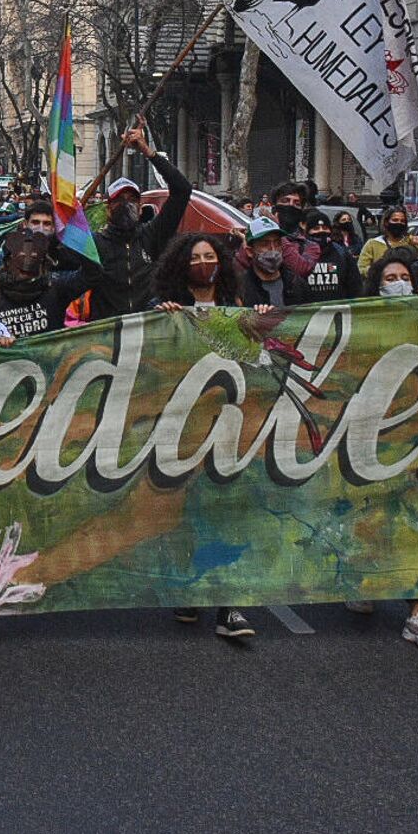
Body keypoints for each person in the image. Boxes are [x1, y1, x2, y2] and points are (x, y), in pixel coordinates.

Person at [151, 232, 263, 639]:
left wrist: (260, 321)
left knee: (229, 511)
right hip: (182, 426)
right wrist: (162, 319)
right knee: (187, 513)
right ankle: (190, 587)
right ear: (182, 266)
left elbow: (259, 358)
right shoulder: (167, 311)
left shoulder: (237, 309)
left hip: (233, 423)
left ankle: (229, 605)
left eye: (209, 256)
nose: (202, 263)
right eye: (195, 257)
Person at [365, 261, 418, 650]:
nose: (399, 285)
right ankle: (363, 577)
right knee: (372, 511)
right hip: (369, 432)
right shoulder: (363, 321)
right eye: (389, 279)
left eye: (405, 279)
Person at [91, 127, 193, 320]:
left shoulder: (153, 235)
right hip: (106, 335)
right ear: (107, 209)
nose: (125, 204)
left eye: (131, 199)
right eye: (119, 200)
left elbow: (182, 189)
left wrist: (148, 151)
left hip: (147, 331)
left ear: (140, 208)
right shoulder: (94, 244)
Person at [0, 225, 99, 337]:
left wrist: (58, 238)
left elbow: (93, 273)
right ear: (8, 262)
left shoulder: (57, 288)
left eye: (33, 257)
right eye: (21, 257)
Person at [239, 218, 305, 307]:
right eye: (264, 244)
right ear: (250, 252)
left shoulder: (296, 283)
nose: (273, 249)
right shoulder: (242, 289)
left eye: (277, 243)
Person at [296, 210, 359, 302]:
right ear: (307, 232)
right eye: (316, 228)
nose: (321, 231)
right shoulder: (298, 253)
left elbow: (355, 286)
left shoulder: (341, 253)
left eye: (325, 228)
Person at [357, 205, 418, 277]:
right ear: (386, 222)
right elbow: (361, 268)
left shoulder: (411, 242)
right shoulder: (373, 244)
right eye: (395, 220)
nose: (399, 223)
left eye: (402, 221)